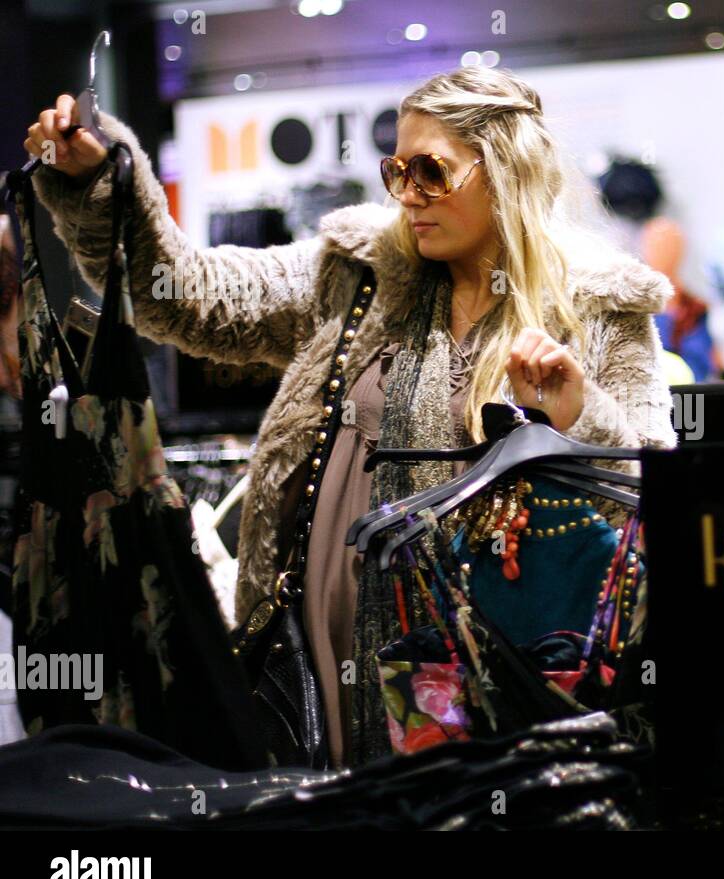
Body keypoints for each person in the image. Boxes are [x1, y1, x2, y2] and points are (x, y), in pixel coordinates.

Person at [24, 66, 677, 766]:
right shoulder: (362, 270)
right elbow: (189, 297)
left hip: (497, 660)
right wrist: (101, 186)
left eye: (432, 171)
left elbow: (648, 497)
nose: (409, 195)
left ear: (506, 169)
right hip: (320, 645)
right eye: (397, 170)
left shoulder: (599, 309)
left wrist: (580, 413)